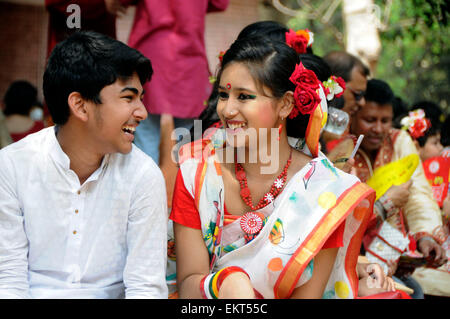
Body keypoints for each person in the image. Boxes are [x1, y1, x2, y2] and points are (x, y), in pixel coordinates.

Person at [169, 37, 395, 299]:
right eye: (222, 95)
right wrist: (229, 285)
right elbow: (188, 285)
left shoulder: (328, 192)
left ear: (286, 104)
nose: (227, 109)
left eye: (244, 96)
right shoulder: (196, 172)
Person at [0, 31, 168, 298]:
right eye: (128, 97)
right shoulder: (12, 166)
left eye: (141, 97)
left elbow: (145, 287)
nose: (142, 112)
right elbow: (8, 281)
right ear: (80, 105)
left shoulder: (143, 176)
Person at [350, 79, 448, 298]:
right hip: (352, 261)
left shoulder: (398, 140)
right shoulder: (342, 145)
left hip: (392, 258)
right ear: (354, 114)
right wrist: (386, 204)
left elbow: (419, 193)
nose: (378, 128)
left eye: (385, 121)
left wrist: (426, 237)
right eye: (369, 120)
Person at [120, 0, 229, 164]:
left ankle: (145, 186)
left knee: (145, 138)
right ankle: (184, 186)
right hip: (189, 58)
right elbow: (220, 4)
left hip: (150, 54)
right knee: (188, 146)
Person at [399, 109, 450, 297]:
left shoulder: (445, 171)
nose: (440, 149)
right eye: (434, 143)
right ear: (414, 145)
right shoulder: (402, 177)